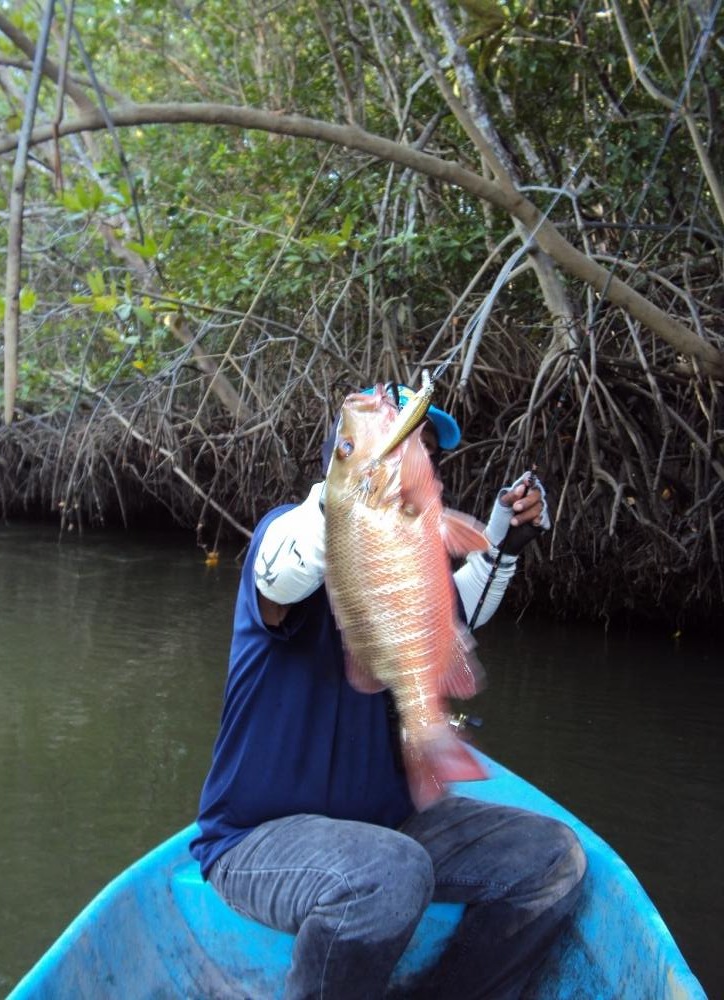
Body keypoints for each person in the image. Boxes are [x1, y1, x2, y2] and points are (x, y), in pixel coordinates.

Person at [191, 384, 586, 1000]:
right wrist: (347, 495)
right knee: (388, 873)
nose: (416, 453)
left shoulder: (413, 564)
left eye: (426, 448)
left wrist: (502, 545)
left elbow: (456, 616)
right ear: (342, 457)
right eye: (405, 437)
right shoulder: (286, 541)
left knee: (551, 858)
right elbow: (283, 565)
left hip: (390, 822)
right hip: (256, 838)